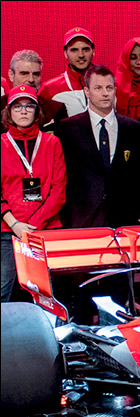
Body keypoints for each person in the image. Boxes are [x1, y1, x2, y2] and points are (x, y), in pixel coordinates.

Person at [1, 85, 66, 301]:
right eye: (17, 106)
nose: (23, 111)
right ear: (9, 112)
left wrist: (32, 226)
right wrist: (15, 225)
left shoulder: (52, 143)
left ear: (37, 111)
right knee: (3, 291)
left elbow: (59, 191)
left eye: (29, 106)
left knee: (45, 294)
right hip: (8, 230)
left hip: (44, 229)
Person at [56, 65, 140, 228]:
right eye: (98, 88)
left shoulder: (132, 128)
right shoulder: (68, 129)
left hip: (124, 220)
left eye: (109, 88)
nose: (105, 93)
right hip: (81, 220)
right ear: (87, 91)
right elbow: (63, 176)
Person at [1, 50, 68, 134]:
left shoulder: (55, 109)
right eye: (24, 74)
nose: (31, 80)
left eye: (36, 74)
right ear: (11, 75)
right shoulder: (1, 105)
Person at [38, 27, 95, 119]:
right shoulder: (49, 89)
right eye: (74, 50)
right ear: (65, 53)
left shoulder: (109, 84)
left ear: (93, 51)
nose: (81, 55)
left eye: (85, 49)